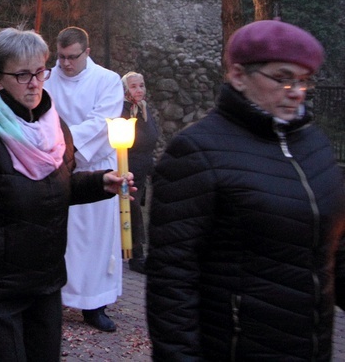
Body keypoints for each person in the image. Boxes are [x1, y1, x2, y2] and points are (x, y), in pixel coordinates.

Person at [0, 28, 133, 362]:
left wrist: (98, 183)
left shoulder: (53, 128)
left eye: (39, 72)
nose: (34, 83)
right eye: (22, 74)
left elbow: (50, 189)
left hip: (43, 283)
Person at [146, 20, 345, 360]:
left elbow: (334, 250)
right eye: (282, 78)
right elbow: (171, 280)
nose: (296, 91)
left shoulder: (315, 146)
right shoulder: (196, 153)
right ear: (239, 76)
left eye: (303, 80)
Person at [44, 26, 124, 332]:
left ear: (87, 53)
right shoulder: (48, 79)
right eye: (61, 57)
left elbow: (101, 124)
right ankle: (56, 299)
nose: (65, 64)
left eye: (72, 57)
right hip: (55, 165)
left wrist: (63, 141)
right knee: (59, 239)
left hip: (93, 168)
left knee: (94, 241)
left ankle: (94, 304)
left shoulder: (107, 80)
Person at [120, 71, 159, 274]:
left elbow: (151, 137)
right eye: (134, 86)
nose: (139, 90)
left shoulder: (144, 109)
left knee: (138, 209)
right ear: (126, 90)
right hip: (128, 168)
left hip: (143, 166)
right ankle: (137, 256)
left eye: (141, 85)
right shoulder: (123, 111)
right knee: (132, 210)